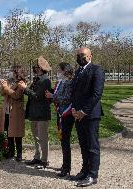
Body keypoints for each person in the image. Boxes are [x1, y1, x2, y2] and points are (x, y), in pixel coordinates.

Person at [71, 47, 105, 187]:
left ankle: (92, 175)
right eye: (78, 55)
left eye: (83, 55)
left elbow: (97, 94)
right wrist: (74, 109)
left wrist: (83, 111)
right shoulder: (78, 71)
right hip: (78, 115)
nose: (80, 57)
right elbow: (75, 92)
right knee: (83, 145)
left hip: (90, 115)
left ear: (90, 56)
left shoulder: (97, 70)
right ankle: (85, 170)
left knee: (92, 146)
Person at [18, 56, 52, 168]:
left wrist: (25, 89)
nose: (34, 68)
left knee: (43, 137)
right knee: (36, 137)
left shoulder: (45, 80)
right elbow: (30, 92)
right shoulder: (37, 79)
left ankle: (44, 160)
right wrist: (24, 86)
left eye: (36, 67)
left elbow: (37, 96)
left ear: (41, 68)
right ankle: (37, 157)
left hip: (42, 113)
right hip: (34, 112)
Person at [45, 62, 75, 177]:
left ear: (65, 71)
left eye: (59, 70)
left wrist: (52, 96)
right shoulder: (60, 82)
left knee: (65, 140)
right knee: (62, 139)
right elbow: (58, 96)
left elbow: (67, 98)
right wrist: (51, 94)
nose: (58, 72)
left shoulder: (69, 82)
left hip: (67, 114)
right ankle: (64, 164)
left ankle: (67, 167)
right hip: (60, 113)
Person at [0, 65, 26, 162]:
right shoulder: (11, 82)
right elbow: (2, 93)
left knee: (17, 133)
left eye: (13, 72)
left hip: (16, 111)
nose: (12, 74)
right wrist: (3, 86)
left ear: (17, 73)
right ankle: (11, 152)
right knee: (9, 132)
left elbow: (16, 95)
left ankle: (19, 154)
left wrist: (6, 88)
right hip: (7, 110)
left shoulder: (21, 83)